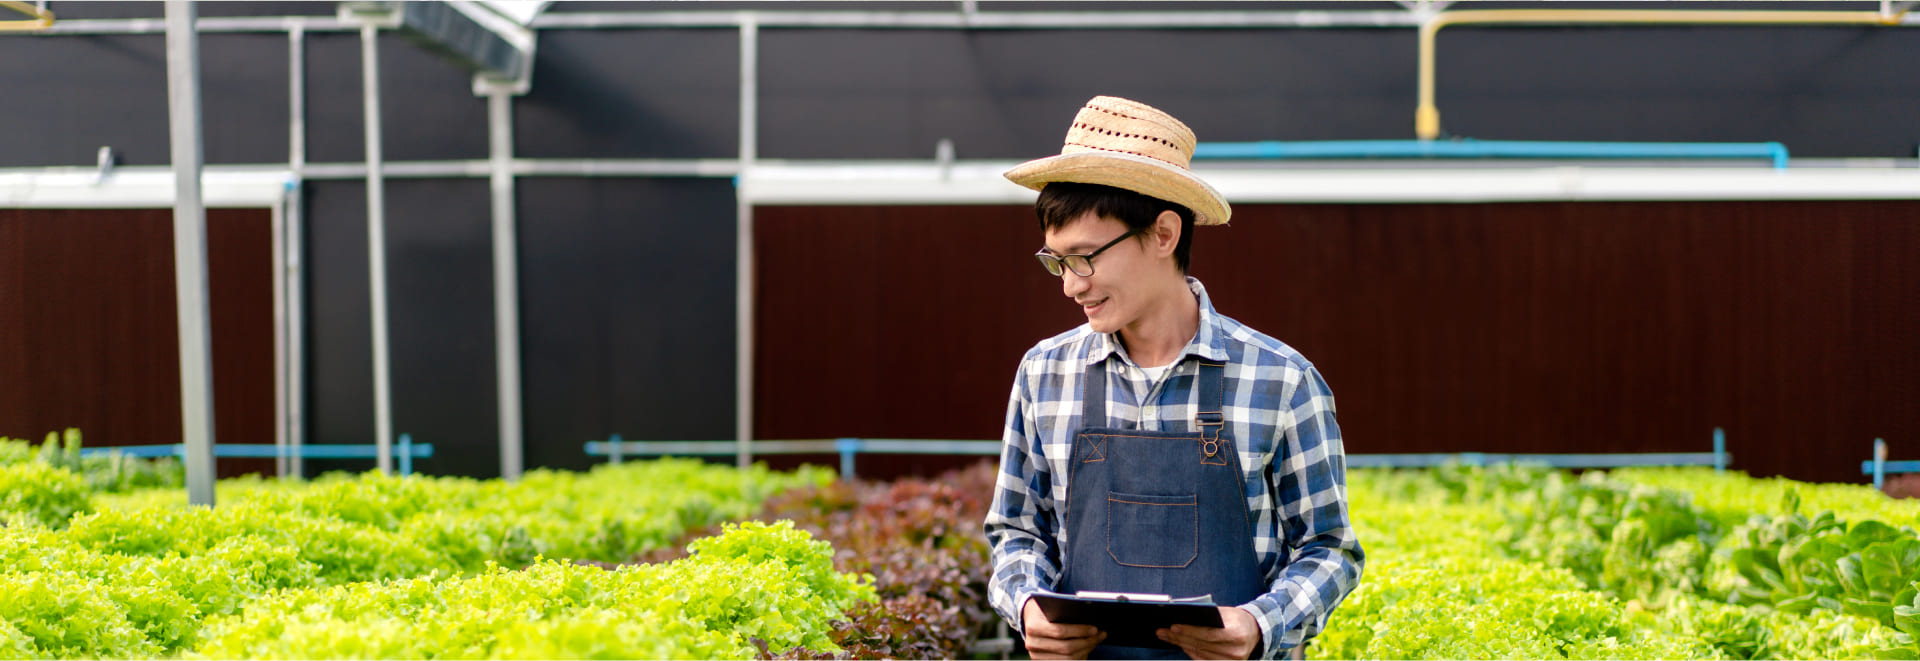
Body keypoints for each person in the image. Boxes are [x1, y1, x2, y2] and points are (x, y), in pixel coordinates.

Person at [983, 96, 1365, 660]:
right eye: (1058, 261)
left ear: (1164, 234)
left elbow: (1329, 548)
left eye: (1085, 257)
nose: (1071, 285)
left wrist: (1260, 624)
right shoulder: (1045, 373)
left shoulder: (1280, 380)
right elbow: (1016, 533)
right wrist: (1026, 605)